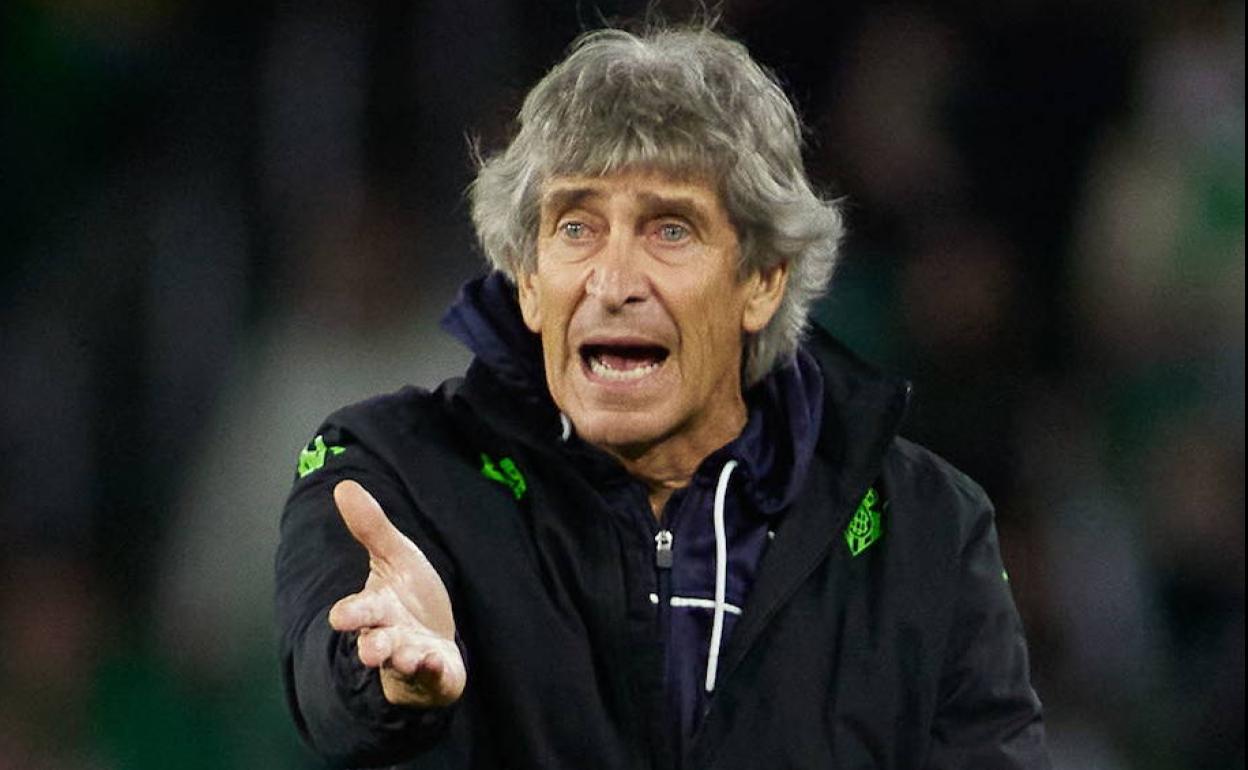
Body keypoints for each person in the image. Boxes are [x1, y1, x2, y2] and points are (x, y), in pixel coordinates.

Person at [274, 23, 1051, 770]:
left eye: (670, 230)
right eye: (576, 228)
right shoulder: (395, 475)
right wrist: (383, 673)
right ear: (530, 281)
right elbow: (327, 683)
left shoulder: (928, 529)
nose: (614, 283)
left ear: (762, 280)